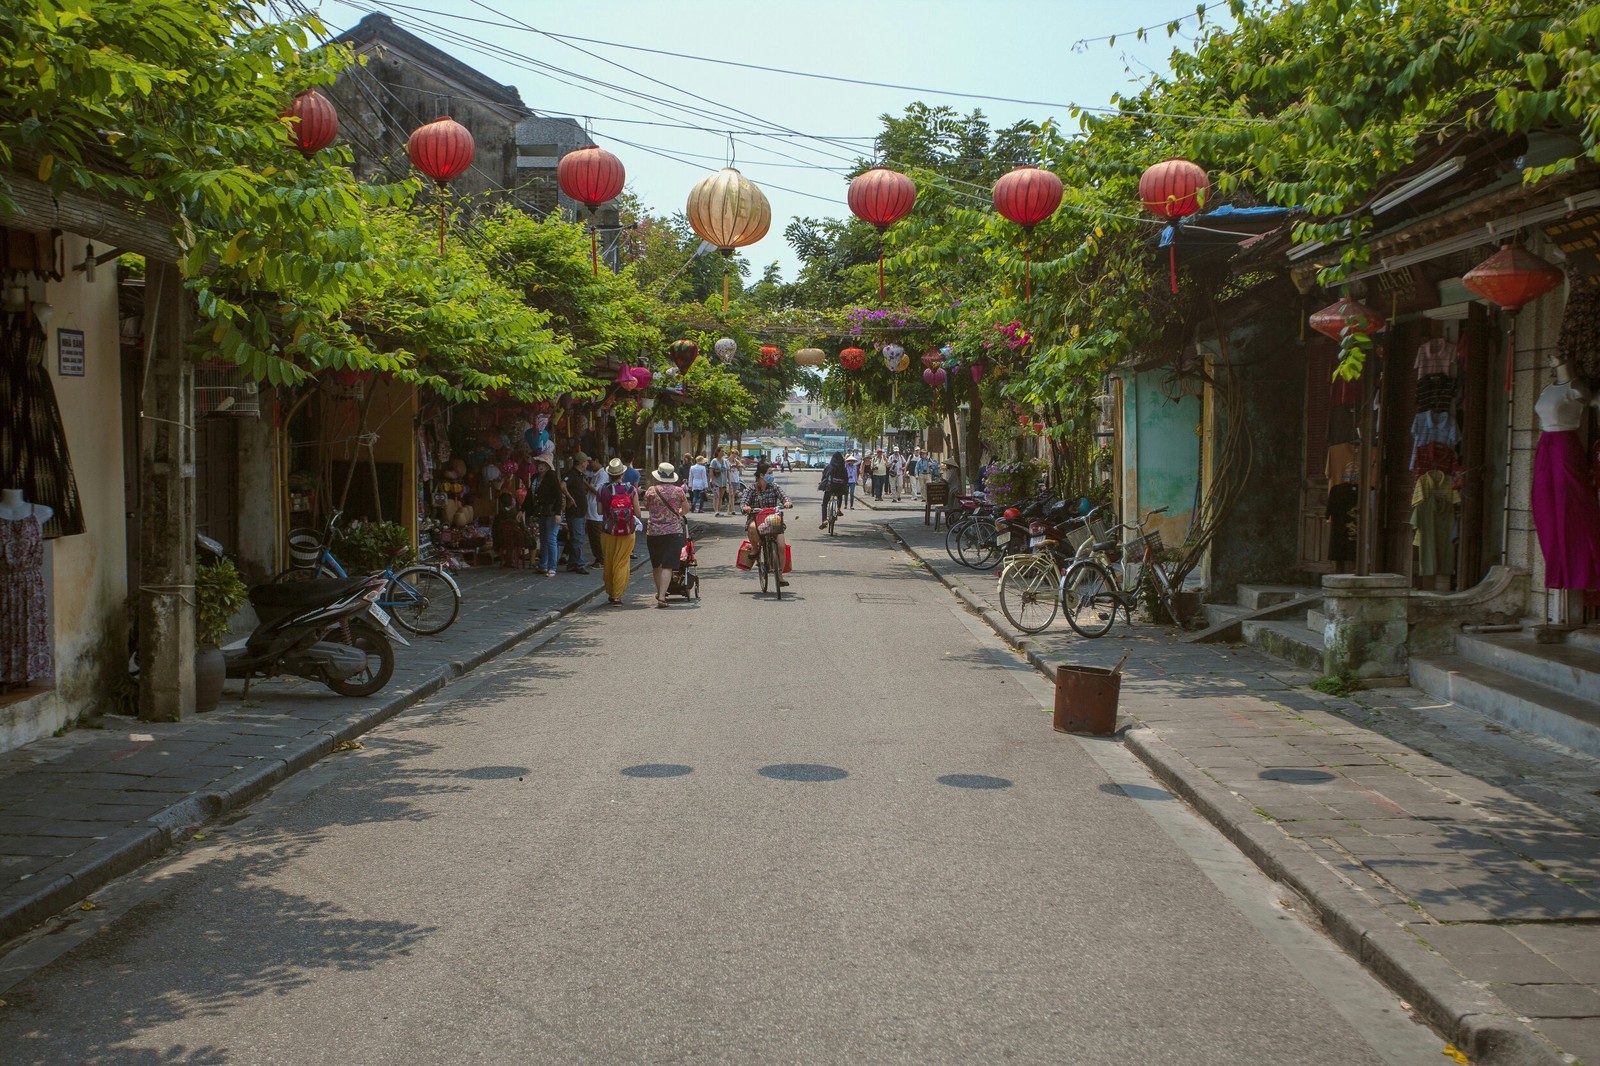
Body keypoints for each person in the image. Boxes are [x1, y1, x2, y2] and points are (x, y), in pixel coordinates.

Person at [641, 462, 689, 608]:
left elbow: (647, 507)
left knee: (657, 565)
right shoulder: (678, 491)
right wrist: (675, 514)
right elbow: (685, 510)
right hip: (673, 532)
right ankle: (662, 596)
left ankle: (659, 592)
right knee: (668, 566)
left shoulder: (651, 490)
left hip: (654, 532)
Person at [741, 460, 793, 586]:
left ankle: (780, 575)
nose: (772, 475)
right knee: (752, 528)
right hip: (756, 519)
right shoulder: (751, 489)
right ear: (761, 475)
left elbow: (784, 497)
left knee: (781, 545)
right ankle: (755, 549)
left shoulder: (774, 487)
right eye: (769, 473)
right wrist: (745, 507)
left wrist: (787, 503)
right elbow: (743, 503)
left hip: (773, 519)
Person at [596, 459, 638, 605]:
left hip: (608, 531)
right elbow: (637, 512)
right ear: (622, 473)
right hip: (627, 531)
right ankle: (617, 595)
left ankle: (610, 590)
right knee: (622, 561)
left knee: (609, 561)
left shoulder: (601, 489)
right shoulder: (631, 490)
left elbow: (600, 511)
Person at [522, 454, 571, 577]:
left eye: (543, 464)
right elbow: (529, 495)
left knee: (551, 539)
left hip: (551, 512)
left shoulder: (552, 478)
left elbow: (558, 496)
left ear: (548, 466)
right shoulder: (534, 478)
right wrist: (522, 510)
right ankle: (543, 565)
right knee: (543, 539)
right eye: (538, 464)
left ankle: (552, 566)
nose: (540, 466)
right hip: (541, 511)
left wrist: (558, 512)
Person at [561, 453, 592, 575]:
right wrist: (570, 498)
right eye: (586, 461)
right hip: (575, 512)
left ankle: (573, 563)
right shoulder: (571, 474)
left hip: (580, 511)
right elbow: (562, 485)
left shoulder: (579, 475)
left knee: (576, 537)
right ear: (581, 462)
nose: (587, 464)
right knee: (578, 538)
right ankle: (579, 563)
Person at [582, 453, 606, 570]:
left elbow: (597, 491)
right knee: (592, 536)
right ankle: (598, 558)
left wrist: (585, 483)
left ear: (597, 460)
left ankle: (601, 559)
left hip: (596, 511)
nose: (590, 465)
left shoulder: (602, 475)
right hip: (591, 509)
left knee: (596, 536)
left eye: (591, 462)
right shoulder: (595, 475)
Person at [818, 452, 849, 528]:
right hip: (839, 488)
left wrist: (821, 483)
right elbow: (846, 479)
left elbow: (824, 476)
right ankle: (838, 509)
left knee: (824, 504)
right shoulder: (843, 468)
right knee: (839, 496)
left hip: (830, 487)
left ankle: (824, 520)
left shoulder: (829, 467)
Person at [708, 447, 729, 516]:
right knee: (716, 496)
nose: (723, 453)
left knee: (721, 497)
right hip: (716, 480)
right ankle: (716, 510)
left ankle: (719, 510)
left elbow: (727, 471)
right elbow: (711, 470)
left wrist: (729, 480)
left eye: (723, 451)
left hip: (723, 481)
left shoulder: (725, 461)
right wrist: (711, 479)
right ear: (718, 452)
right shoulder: (714, 461)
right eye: (722, 451)